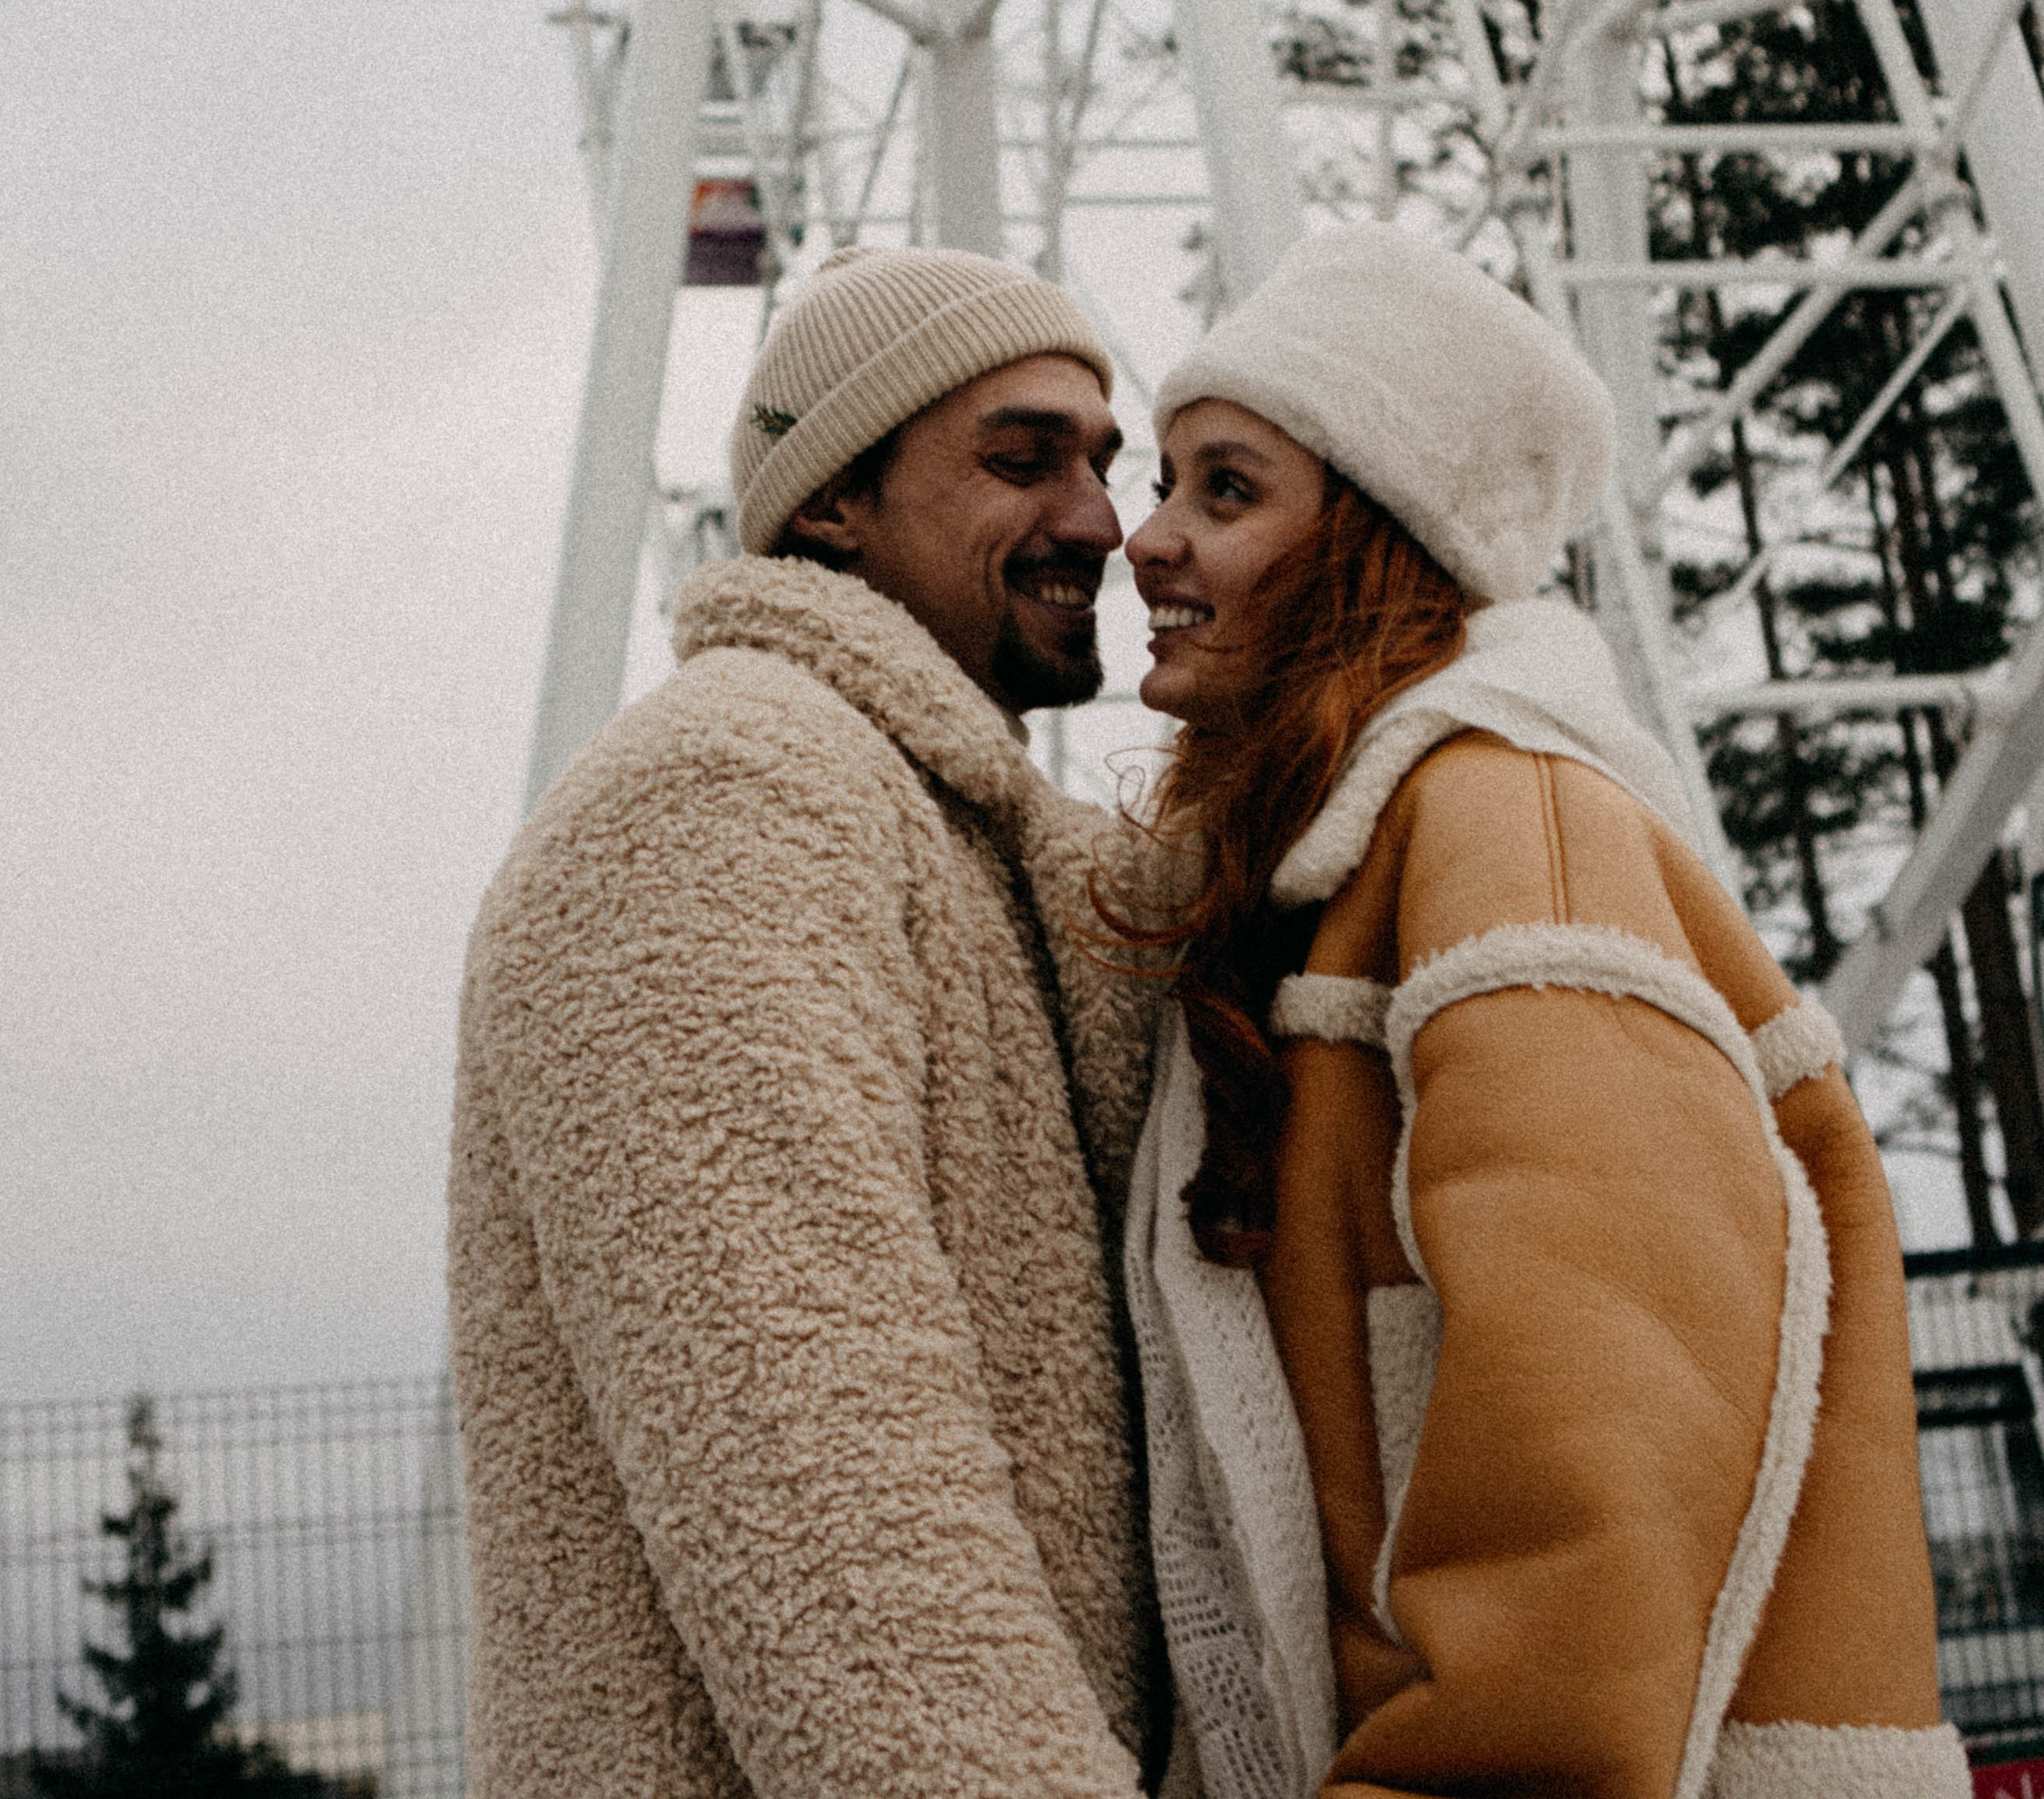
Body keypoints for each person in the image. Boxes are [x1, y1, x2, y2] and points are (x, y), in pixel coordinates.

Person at [1104, 222, 1959, 1799]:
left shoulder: (1509, 832)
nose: (1145, 540)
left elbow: (1605, 1439)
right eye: (1163, 481)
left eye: (1223, 489)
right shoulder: (1335, 866)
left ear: (1376, 537)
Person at [450, 246, 1170, 1799]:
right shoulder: (715, 794)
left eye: (1105, 464)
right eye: (1018, 457)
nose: (1100, 522)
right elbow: (832, 1533)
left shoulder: (973, 844)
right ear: (831, 499)